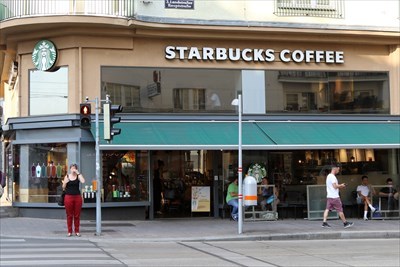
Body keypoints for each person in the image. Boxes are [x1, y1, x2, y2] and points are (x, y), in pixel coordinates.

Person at [62, 163, 85, 237]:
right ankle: (69, 231)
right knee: (69, 215)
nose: (73, 170)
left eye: (74, 168)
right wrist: (65, 182)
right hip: (68, 197)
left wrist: (78, 173)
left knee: (77, 215)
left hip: (77, 197)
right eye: (72, 168)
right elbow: (63, 187)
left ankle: (77, 231)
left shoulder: (78, 176)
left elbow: (83, 181)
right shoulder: (67, 176)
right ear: (70, 169)